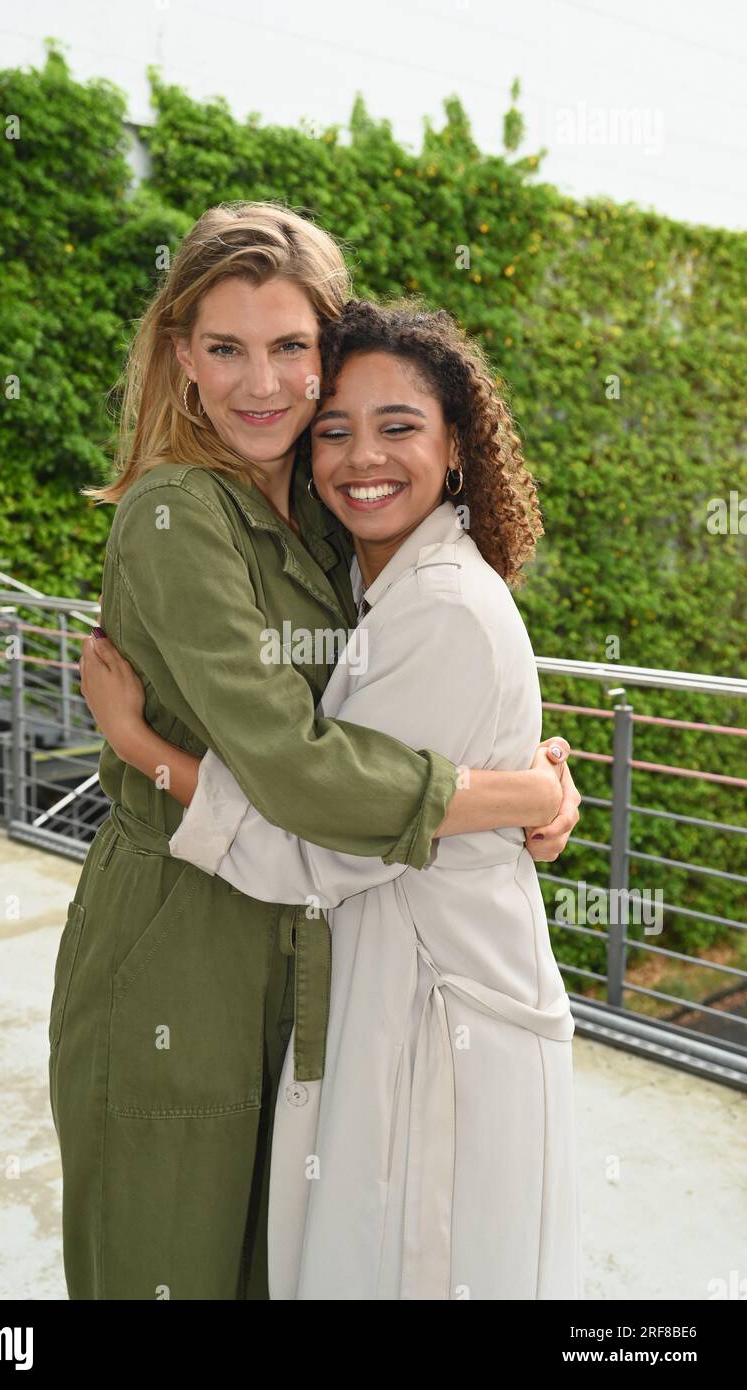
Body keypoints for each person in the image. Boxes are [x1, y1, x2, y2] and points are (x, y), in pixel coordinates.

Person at [57, 202, 580, 1301]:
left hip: (308, 952)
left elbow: (399, 697)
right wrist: (496, 792)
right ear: (179, 358)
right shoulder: (174, 515)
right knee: (168, 1266)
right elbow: (297, 764)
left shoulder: (323, 513)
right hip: (181, 947)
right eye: (226, 347)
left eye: (291, 347)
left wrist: (520, 773)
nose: (262, 383)